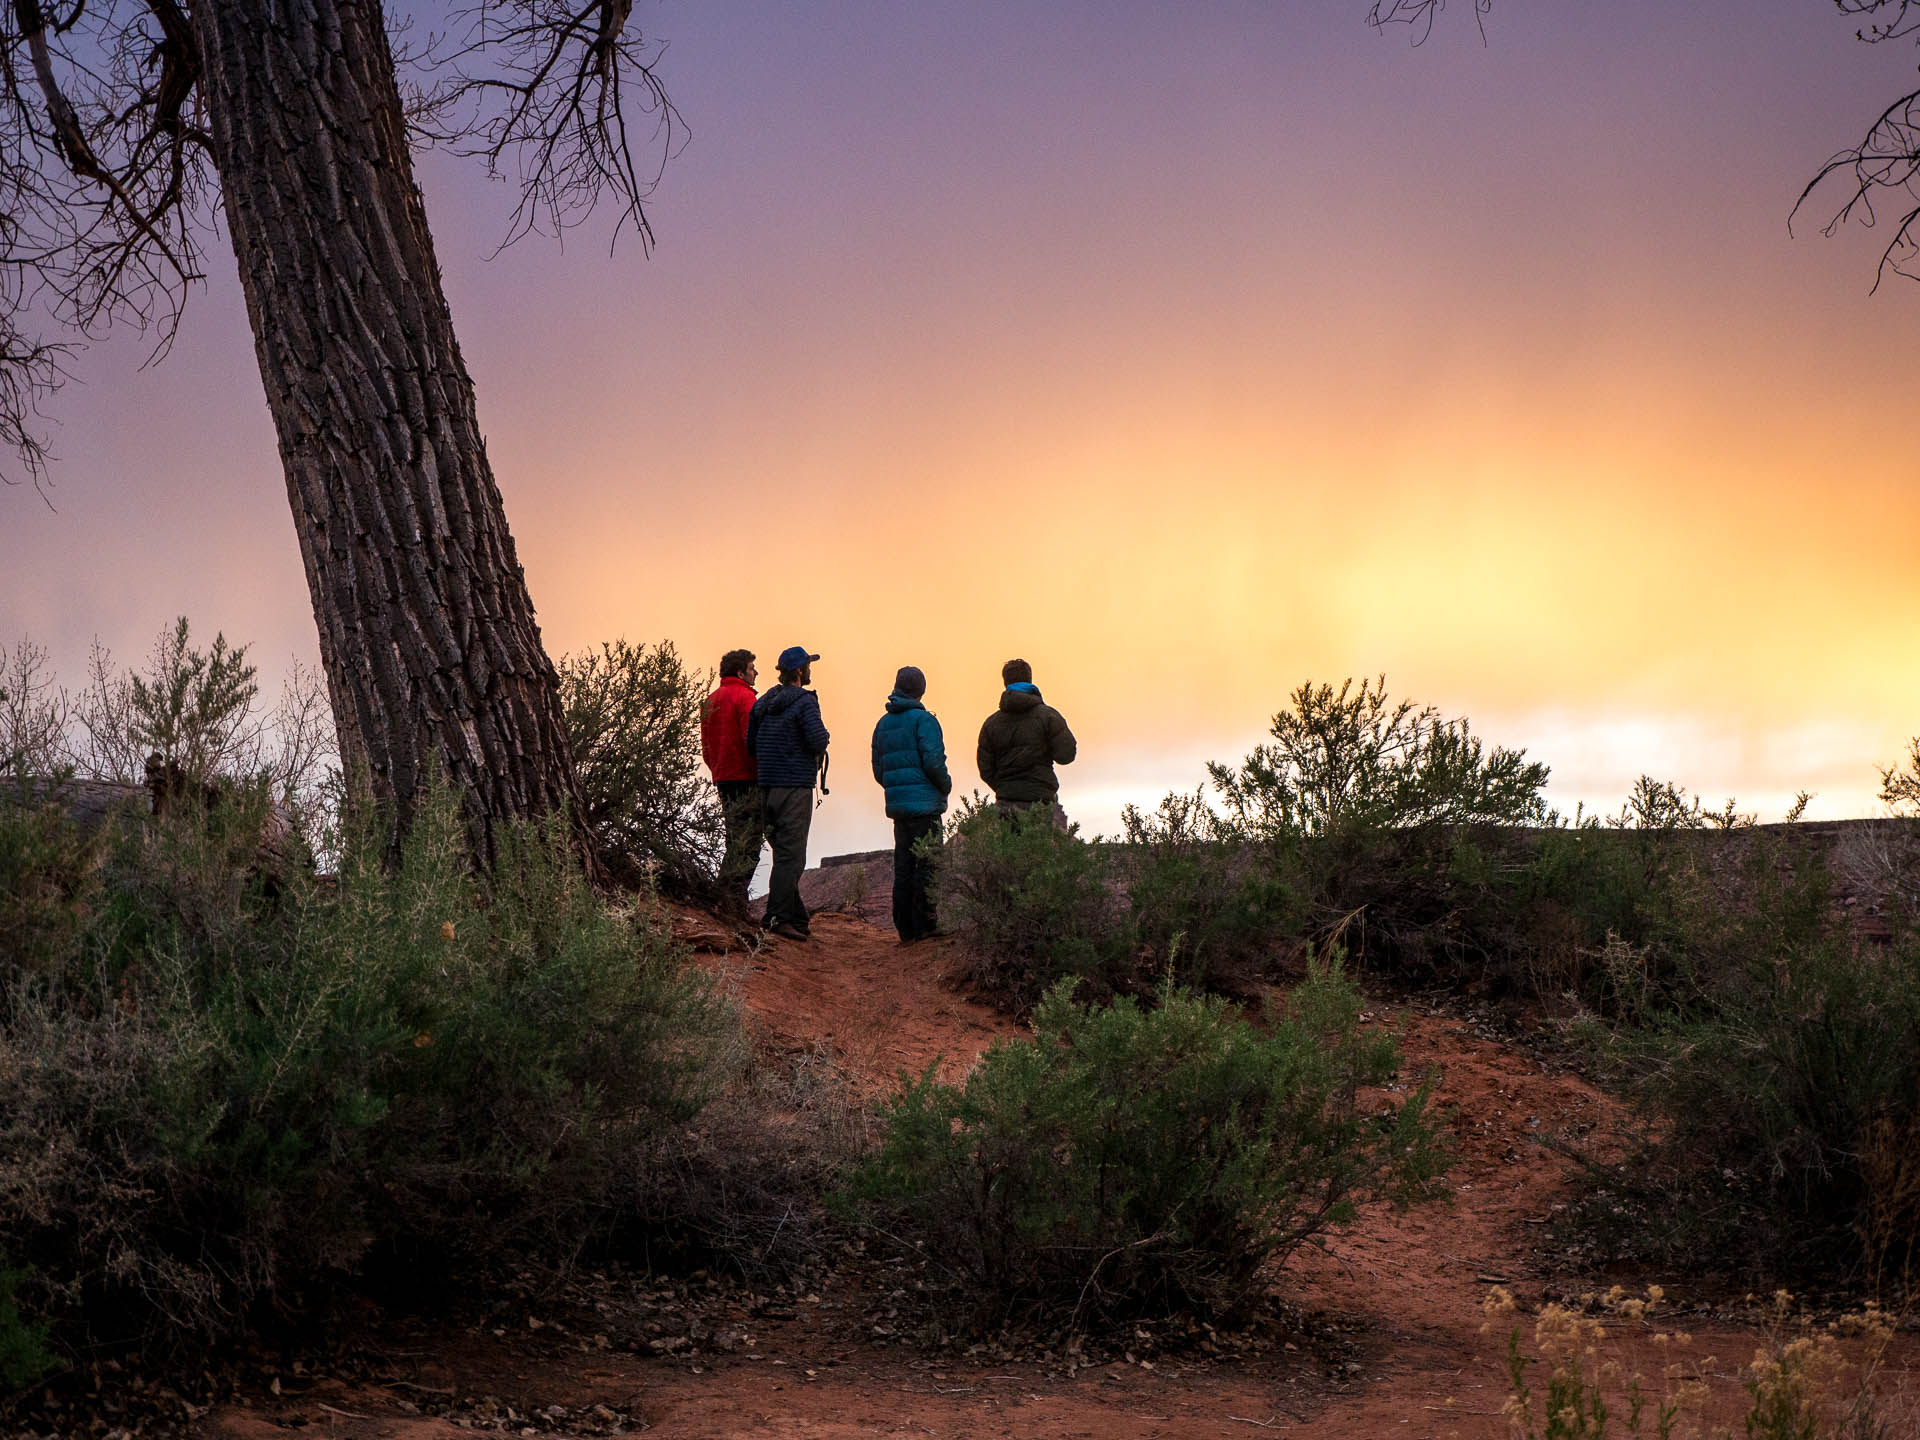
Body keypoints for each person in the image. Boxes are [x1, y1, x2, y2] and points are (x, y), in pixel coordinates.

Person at [747, 645, 830, 942]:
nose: (810, 670)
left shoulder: (764, 702)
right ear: (798, 671)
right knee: (791, 857)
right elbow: (818, 739)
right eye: (807, 665)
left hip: (766, 788)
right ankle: (777, 919)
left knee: (783, 853)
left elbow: (750, 743)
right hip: (794, 787)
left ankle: (796, 917)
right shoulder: (805, 702)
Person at [870, 665, 951, 943]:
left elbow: (879, 769)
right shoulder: (924, 720)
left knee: (904, 865)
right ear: (920, 690)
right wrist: (945, 785)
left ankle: (905, 927)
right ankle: (925, 924)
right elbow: (933, 761)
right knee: (928, 864)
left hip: (899, 807)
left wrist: (897, 789)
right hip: (925, 805)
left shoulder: (882, 724)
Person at [700, 648, 763, 916]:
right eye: (751, 668)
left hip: (723, 779)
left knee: (734, 840)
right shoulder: (746, 698)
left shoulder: (710, 701)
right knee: (748, 844)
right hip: (746, 778)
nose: (755, 672)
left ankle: (725, 899)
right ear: (740, 672)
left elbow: (706, 748)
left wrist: (717, 769)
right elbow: (753, 741)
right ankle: (730, 902)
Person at [977, 657, 1076, 825]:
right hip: (1040, 802)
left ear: (1005, 682)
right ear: (1030, 679)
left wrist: (1005, 786)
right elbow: (1066, 755)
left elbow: (985, 768)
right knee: (1038, 850)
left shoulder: (991, 724)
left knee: (1009, 850)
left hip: (1005, 802)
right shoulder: (1048, 716)